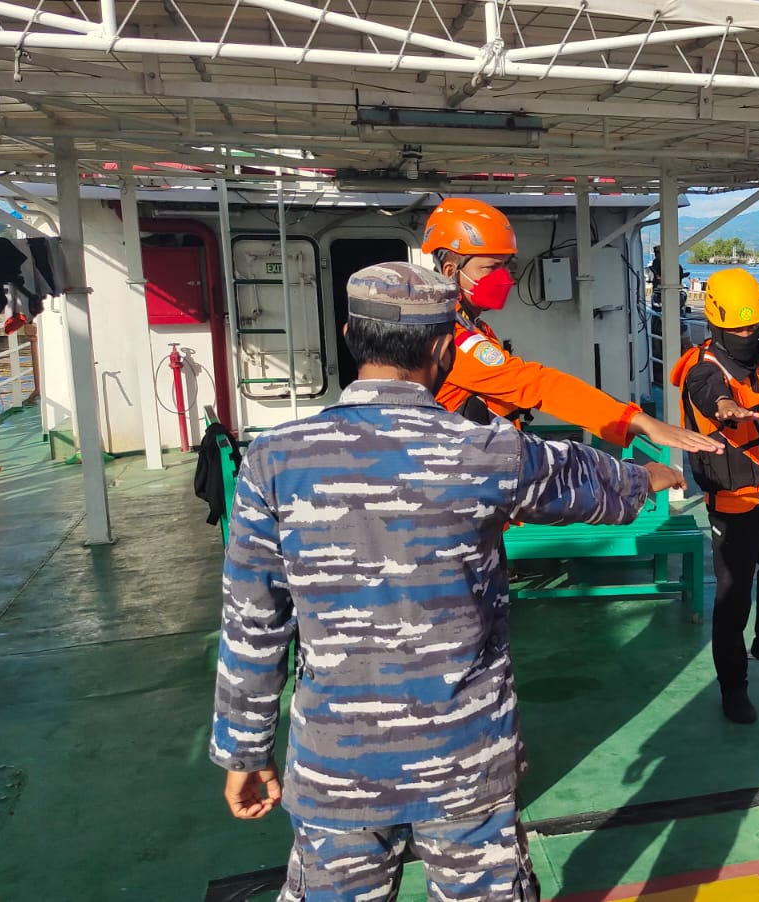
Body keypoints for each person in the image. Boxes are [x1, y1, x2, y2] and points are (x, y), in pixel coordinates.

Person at [210, 262, 685, 901]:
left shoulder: (273, 457)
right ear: (442, 349)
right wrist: (650, 476)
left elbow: (253, 622)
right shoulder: (489, 451)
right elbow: (585, 479)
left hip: (337, 765)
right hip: (466, 761)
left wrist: (244, 750)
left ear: (350, 334)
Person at [421, 198, 719, 455]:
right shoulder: (453, 338)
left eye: (505, 265)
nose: (504, 277)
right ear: (451, 272)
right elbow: (535, 384)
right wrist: (635, 420)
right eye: (490, 268)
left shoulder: (474, 328)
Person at [670, 268, 759, 724]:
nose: (747, 334)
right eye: (738, 328)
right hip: (732, 502)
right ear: (716, 323)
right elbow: (711, 395)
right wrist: (726, 408)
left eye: (753, 326)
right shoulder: (703, 368)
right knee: (732, 598)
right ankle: (733, 685)